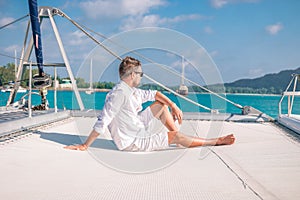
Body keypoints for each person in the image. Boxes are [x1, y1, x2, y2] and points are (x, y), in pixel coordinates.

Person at [65, 57, 235, 151]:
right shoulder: (118, 94)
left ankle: (177, 137)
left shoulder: (129, 90)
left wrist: (174, 106)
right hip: (132, 142)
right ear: (132, 75)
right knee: (175, 136)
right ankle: (216, 141)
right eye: (140, 74)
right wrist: (85, 145)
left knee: (161, 105)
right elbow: (103, 120)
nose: (141, 77)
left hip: (137, 126)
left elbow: (154, 94)